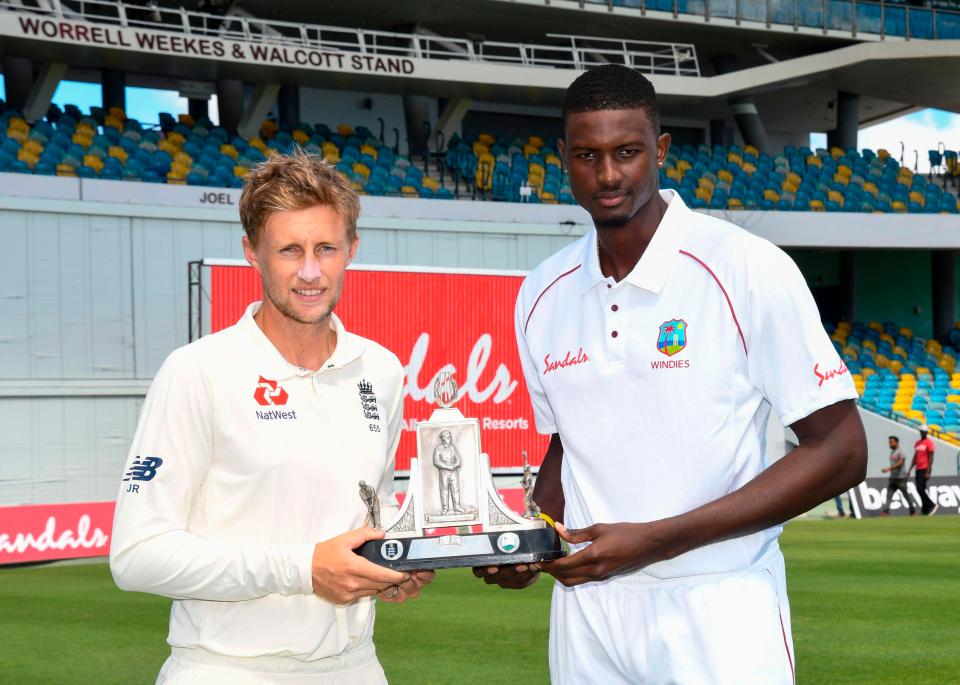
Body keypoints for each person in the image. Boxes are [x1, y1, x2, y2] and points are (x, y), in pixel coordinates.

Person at [476, 64, 867, 684]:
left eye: (627, 153)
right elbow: (566, 444)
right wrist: (528, 542)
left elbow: (843, 451)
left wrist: (656, 539)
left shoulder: (745, 268)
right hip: (590, 611)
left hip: (719, 604)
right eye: (587, 155)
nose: (608, 175)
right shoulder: (540, 292)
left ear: (660, 150)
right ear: (563, 159)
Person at [110, 151, 434, 684]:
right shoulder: (198, 371)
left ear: (352, 249)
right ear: (251, 253)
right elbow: (137, 555)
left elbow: (373, 502)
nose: (310, 271)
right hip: (226, 669)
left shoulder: (380, 369)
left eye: (326, 248)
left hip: (355, 668)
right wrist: (303, 568)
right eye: (289, 250)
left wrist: (394, 560)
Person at [880, 435, 915, 516]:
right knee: (889, 494)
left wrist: (889, 469)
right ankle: (886, 511)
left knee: (905, 494)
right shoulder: (892, 452)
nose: (890, 444)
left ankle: (912, 509)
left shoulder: (901, 452)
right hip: (893, 477)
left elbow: (900, 463)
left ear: (896, 442)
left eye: (891, 442)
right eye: (889, 442)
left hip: (901, 478)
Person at [908, 424, 938, 515]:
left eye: (924, 432)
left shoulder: (929, 443)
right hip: (918, 468)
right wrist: (910, 469)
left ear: (926, 432)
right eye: (921, 431)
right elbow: (915, 457)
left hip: (925, 468)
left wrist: (928, 471)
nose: (923, 433)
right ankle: (925, 510)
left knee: (919, 488)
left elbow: (931, 457)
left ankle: (931, 504)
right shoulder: (918, 443)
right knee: (921, 488)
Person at [433, 429, 465, 514]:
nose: (449, 438)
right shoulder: (438, 449)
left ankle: (457, 507)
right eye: (447, 437)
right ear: (443, 439)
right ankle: (445, 508)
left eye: (450, 437)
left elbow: (458, 459)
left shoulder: (452, 448)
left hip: (453, 471)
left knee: (456, 489)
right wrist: (447, 467)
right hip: (444, 472)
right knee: (444, 490)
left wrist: (455, 465)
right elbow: (436, 462)